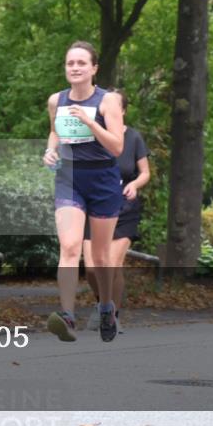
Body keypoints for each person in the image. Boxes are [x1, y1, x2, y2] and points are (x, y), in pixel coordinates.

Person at [43, 42, 124, 342]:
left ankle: (106, 307)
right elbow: (54, 132)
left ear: (94, 68)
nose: (74, 68)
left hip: (102, 178)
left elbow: (117, 146)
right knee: (70, 246)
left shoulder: (108, 101)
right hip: (70, 177)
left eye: (81, 63)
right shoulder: (57, 100)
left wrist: (90, 121)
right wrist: (50, 151)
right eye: (69, 63)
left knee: (100, 258)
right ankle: (67, 316)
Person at [83, 90, 150, 334]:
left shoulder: (133, 138)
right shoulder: (92, 134)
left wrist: (134, 184)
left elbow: (145, 172)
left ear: (122, 111)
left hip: (124, 208)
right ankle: (102, 305)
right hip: (94, 206)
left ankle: (112, 315)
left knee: (111, 264)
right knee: (91, 268)